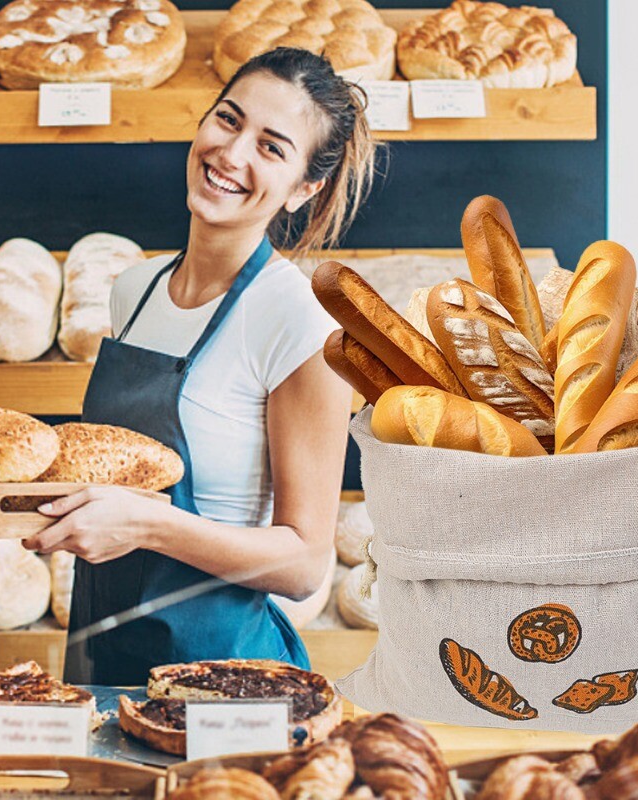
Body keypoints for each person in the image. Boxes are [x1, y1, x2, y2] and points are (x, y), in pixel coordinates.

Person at [22, 47, 377, 685]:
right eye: (228, 120)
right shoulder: (133, 290)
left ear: (305, 187)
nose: (232, 154)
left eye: (272, 147)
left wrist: (145, 522)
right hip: (104, 654)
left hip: (225, 677)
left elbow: (303, 563)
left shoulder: (299, 321)